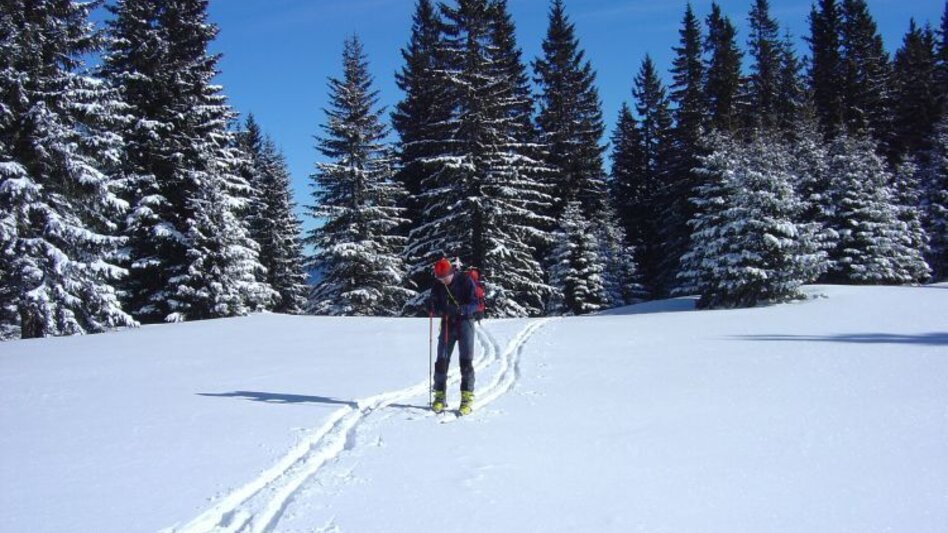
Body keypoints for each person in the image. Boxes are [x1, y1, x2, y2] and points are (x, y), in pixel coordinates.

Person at [428, 257, 479, 415]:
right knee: (441, 361)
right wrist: (432, 307)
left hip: (465, 324)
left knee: (465, 361)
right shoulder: (438, 285)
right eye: (439, 277)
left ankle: (466, 397)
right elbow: (434, 303)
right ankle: (439, 396)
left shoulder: (465, 280)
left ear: (451, 272)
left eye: (445, 277)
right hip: (447, 324)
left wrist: (460, 310)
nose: (443, 280)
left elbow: (475, 303)